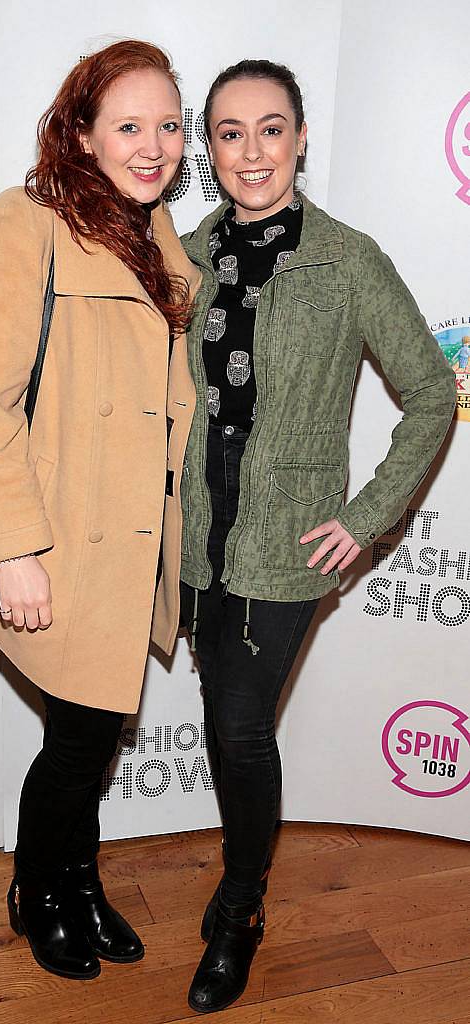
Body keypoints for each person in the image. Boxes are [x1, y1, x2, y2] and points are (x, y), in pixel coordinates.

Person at [179, 60, 456, 1014]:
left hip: (286, 547)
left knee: (241, 730)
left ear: (301, 138)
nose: (251, 152)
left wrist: (371, 516)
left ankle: (241, 910)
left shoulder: (349, 260)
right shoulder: (183, 252)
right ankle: (236, 883)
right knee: (222, 715)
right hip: (189, 536)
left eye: (270, 128)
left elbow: (431, 391)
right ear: (208, 149)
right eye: (228, 133)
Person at [0, 39, 199, 981]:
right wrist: (14, 550)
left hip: (131, 544)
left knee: (82, 739)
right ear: (80, 131)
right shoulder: (23, 223)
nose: (153, 145)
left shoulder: (154, 232)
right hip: (59, 544)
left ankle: (77, 882)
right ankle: (39, 891)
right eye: (129, 125)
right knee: (80, 740)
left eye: (169, 126)